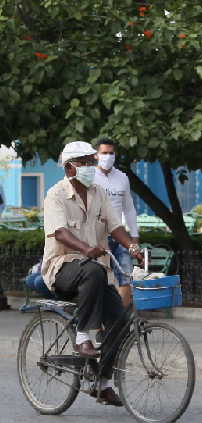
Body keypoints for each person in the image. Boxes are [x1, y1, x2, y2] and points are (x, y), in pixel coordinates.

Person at [42, 141, 143, 406]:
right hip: (62, 267)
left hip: (96, 271)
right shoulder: (56, 195)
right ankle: (82, 335)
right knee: (93, 273)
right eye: (84, 162)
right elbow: (61, 232)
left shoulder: (99, 192)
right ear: (69, 168)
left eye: (91, 161)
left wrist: (132, 246)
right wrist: (85, 248)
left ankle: (102, 383)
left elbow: (115, 226)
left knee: (120, 321)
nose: (90, 167)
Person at [94, 138, 139, 307]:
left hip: (120, 235)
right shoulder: (90, 177)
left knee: (126, 277)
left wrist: (134, 236)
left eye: (111, 153)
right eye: (104, 153)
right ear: (97, 155)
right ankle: (101, 327)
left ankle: (121, 321)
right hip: (98, 236)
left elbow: (129, 208)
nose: (108, 156)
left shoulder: (122, 178)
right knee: (98, 280)